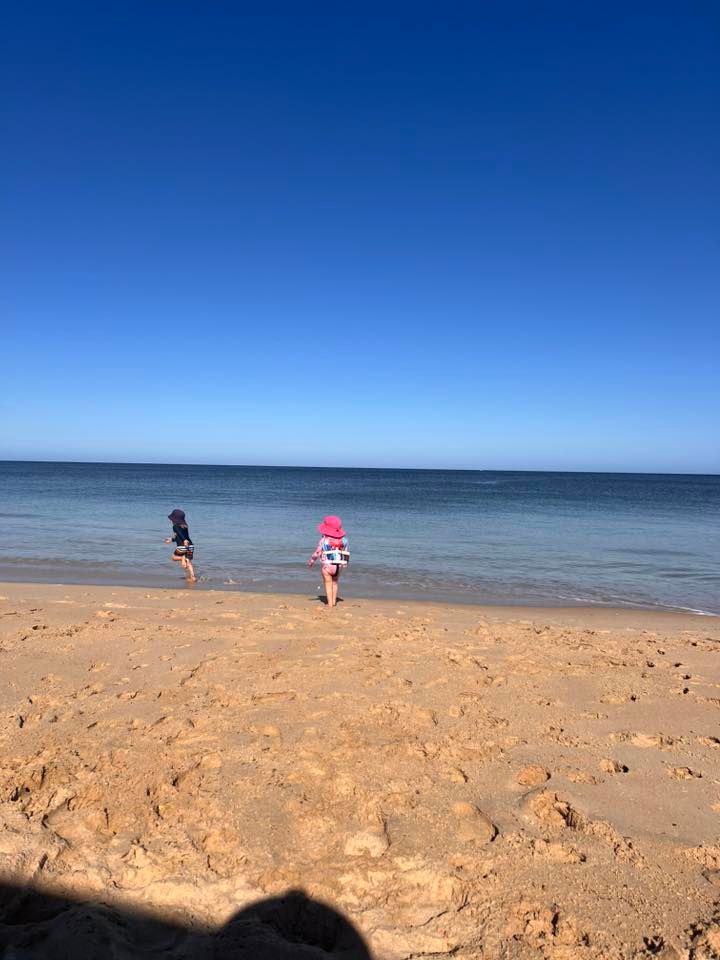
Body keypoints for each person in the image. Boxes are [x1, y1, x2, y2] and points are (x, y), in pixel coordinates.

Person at [308, 515, 349, 608]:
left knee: (328, 583)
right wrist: (345, 563)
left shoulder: (323, 540)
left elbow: (317, 553)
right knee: (335, 583)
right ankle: (334, 601)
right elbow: (345, 553)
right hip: (339, 566)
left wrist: (311, 561)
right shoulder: (344, 540)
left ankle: (329, 604)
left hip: (327, 566)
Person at [164, 509, 196, 582]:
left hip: (183, 546)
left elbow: (180, 534)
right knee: (188, 562)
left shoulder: (175, 526)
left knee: (174, 557)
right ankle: (193, 577)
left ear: (175, 519)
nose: (171, 520)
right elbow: (179, 536)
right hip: (190, 546)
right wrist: (172, 540)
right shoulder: (185, 526)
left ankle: (182, 558)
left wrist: (184, 540)